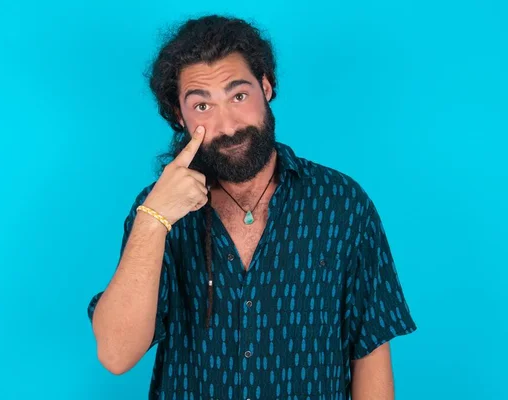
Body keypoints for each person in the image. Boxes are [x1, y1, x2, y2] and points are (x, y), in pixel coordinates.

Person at [87, 14, 417, 400]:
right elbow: (115, 354)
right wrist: (153, 219)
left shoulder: (342, 204)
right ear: (180, 116)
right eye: (202, 106)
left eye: (238, 96)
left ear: (266, 86)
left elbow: (371, 351)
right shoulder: (158, 210)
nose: (227, 125)